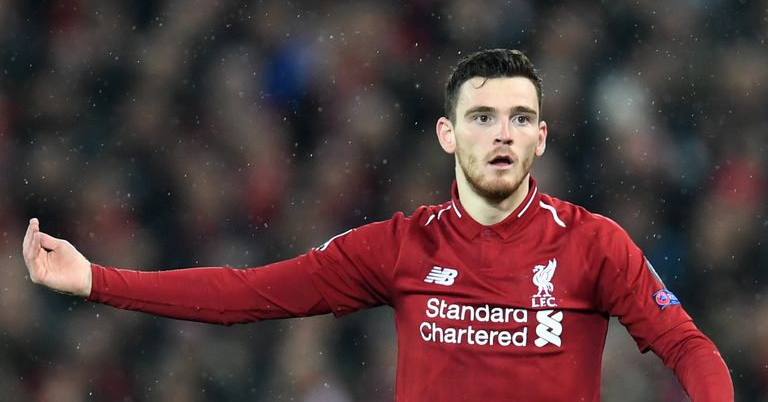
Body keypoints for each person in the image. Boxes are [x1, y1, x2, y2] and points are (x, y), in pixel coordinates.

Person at [22, 49, 733, 401]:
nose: (502, 133)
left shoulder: (594, 243)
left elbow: (687, 346)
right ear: (447, 134)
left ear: (541, 137)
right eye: (482, 117)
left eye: (520, 118)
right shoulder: (401, 247)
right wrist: (97, 280)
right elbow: (246, 293)